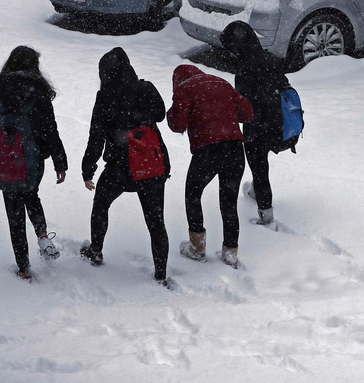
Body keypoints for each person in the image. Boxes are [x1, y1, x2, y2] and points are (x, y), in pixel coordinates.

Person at [0, 45, 68, 281]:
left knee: (14, 213)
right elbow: (50, 130)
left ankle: (24, 268)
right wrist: (60, 162)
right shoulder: (38, 91)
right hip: (33, 159)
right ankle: (42, 235)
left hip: (4, 160)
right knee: (31, 194)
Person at [80, 47, 172, 286]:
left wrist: (88, 168)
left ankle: (96, 250)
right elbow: (161, 115)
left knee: (101, 204)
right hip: (151, 165)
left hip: (120, 167)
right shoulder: (146, 88)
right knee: (156, 222)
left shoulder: (105, 96)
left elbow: (96, 136)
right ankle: (161, 274)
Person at [167, 64, 254, 269]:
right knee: (229, 201)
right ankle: (230, 252)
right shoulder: (220, 82)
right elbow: (247, 113)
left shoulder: (184, 89)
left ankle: (197, 248)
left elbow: (177, 125)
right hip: (234, 149)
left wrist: (175, 109)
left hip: (207, 151)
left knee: (193, 194)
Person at [219, 21, 290, 230]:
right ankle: (256, 192)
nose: (231, 54)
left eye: (231, 49)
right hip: (278, 124)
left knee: (260, 169)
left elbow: (243, 105)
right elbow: (284, 87)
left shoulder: (244, 70)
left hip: (257, 128)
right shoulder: (270, 59)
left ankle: (267, 217)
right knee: (261, 165)